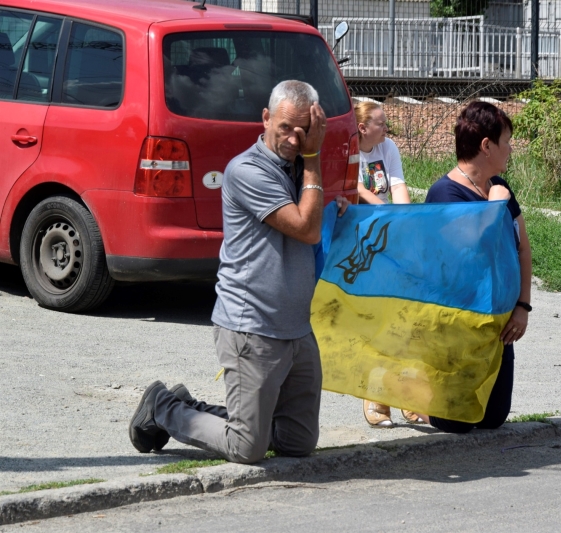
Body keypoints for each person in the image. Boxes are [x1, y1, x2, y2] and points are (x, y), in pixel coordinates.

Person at [128, 80, 349, 463]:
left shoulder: (297, 170)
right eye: (284, 128)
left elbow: (312, 224)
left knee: (296, 442)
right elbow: (304, 227)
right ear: (265, 118)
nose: (294, 140)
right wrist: (314, 158)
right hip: (252, 328)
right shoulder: (246, 170)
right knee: (247, 447)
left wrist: (335, 208)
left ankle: (208, 410)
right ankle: (163, 407)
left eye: (303, 131)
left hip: (296, 328)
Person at [421, 100, 532, 433]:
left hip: (498, 322)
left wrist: (522, 306)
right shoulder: (444, 194)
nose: (510, 149)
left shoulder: (500, 187)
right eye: (506, 142)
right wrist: (494, 208)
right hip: (458, 323)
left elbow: (522, 248)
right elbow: (466, 259)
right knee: (455, 422)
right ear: (487, 146)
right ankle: (412, 399)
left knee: (492, 418)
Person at [353, 101, 421, 428]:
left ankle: (406, 395)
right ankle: (376, 395)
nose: (386, 128)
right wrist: (386, 212)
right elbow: (357, 189)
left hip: (390, 236)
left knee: (402, 316)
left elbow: (398, 187)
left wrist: (406, 223)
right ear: (363, 127)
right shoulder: (351, 149)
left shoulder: (388, 147)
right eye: (380, 123)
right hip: (362, 242)